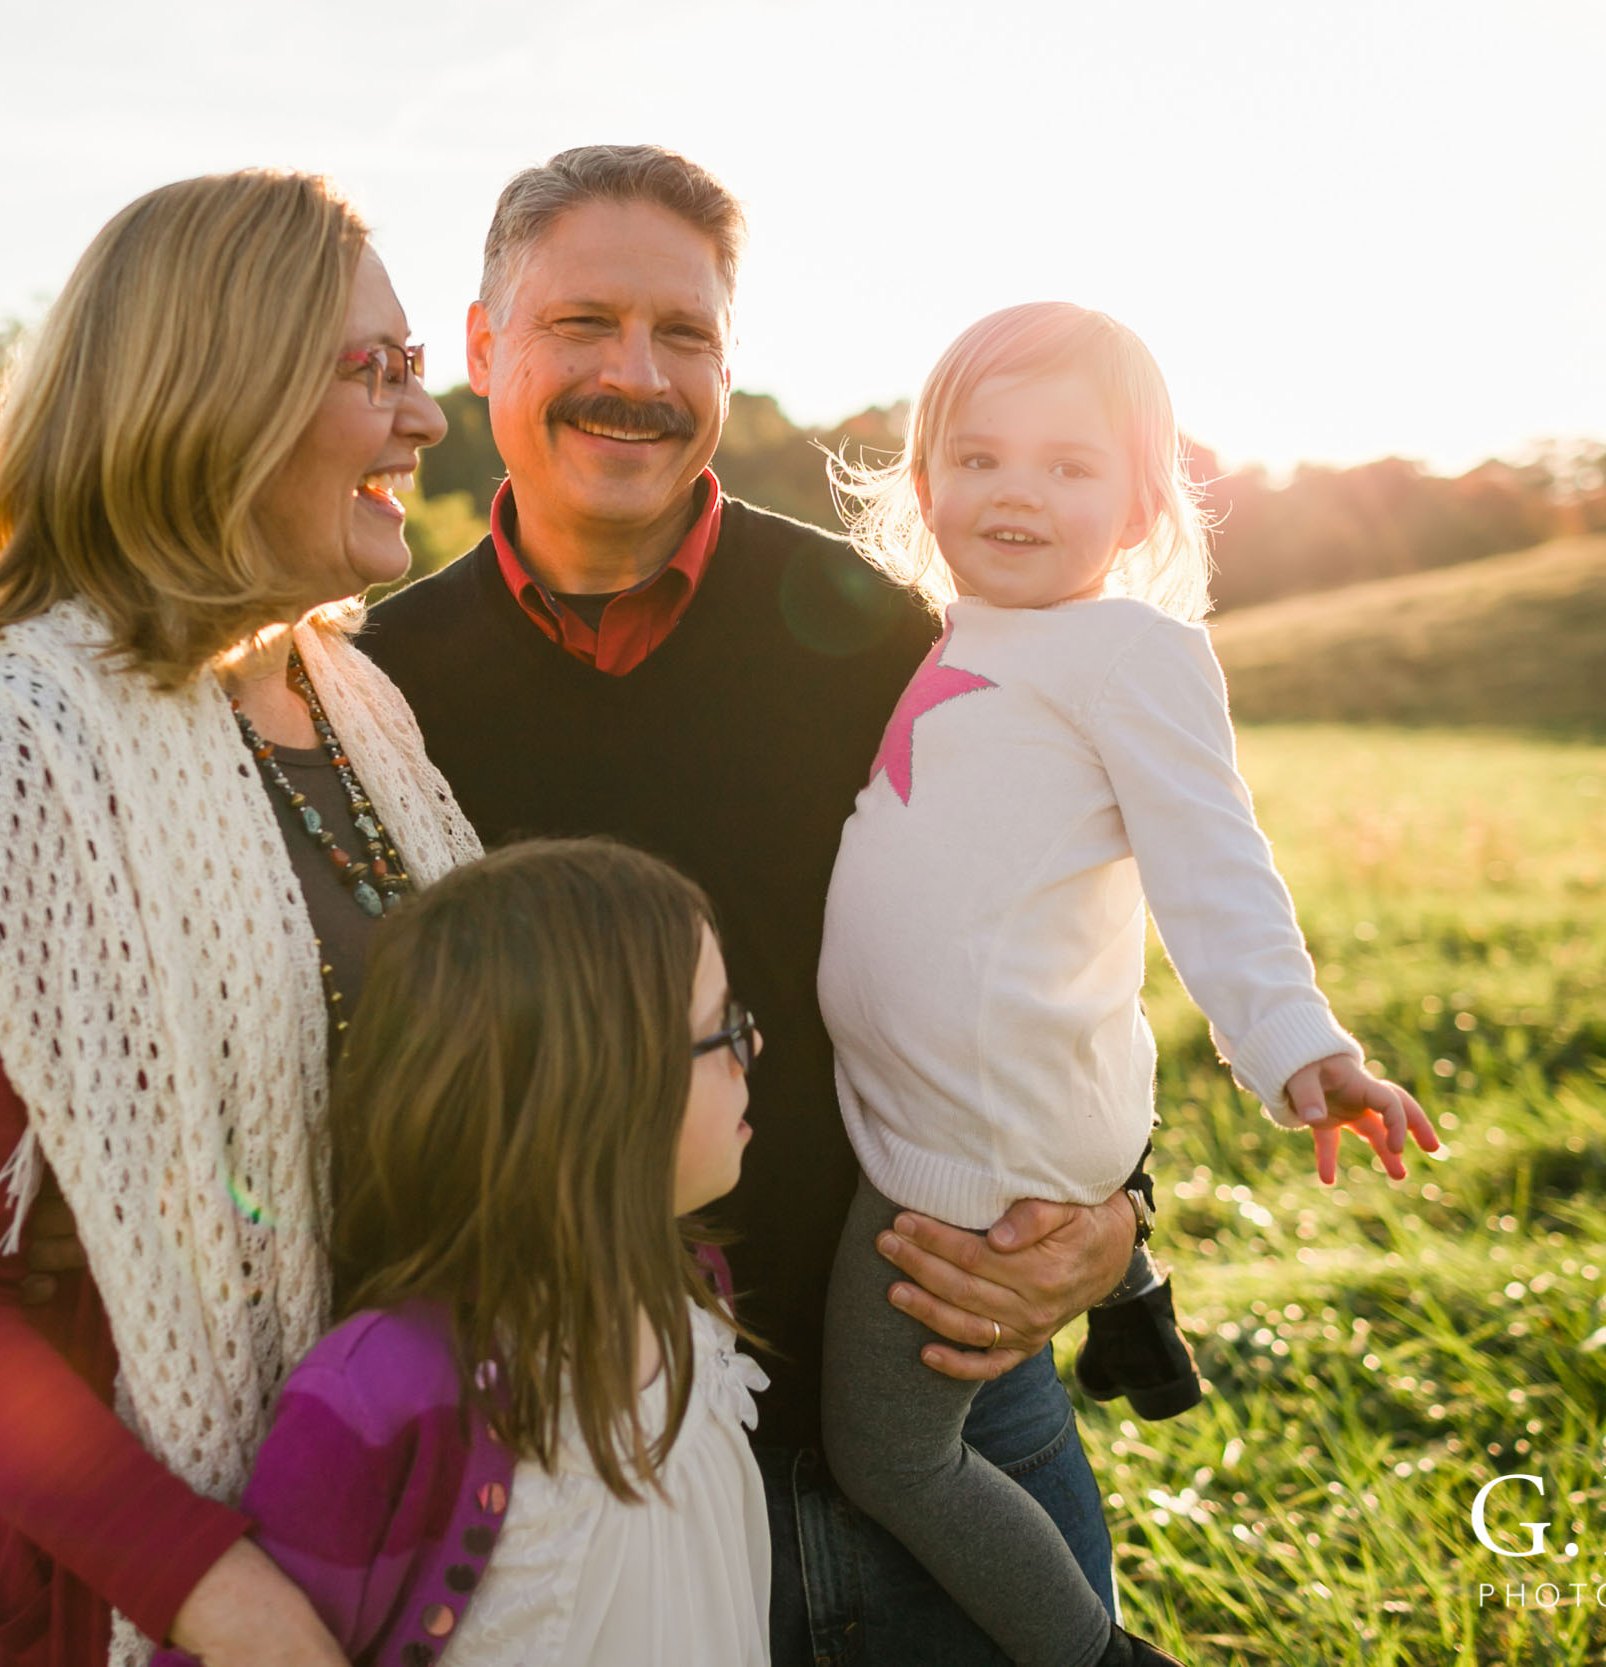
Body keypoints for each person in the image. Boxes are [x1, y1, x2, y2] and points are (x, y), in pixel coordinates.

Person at [357, 146, 1138, 1665]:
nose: (635, 377)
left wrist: (1118, 1225)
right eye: (583, 323)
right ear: (481, 346)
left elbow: (1054, 944)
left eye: (687, 334)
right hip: (587, 1468)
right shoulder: (381, 689)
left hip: (934, 1389)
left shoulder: (877, 632)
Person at [0, 170, 482, 1667]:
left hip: (415, 1510)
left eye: (420, 368)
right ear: (222, 392)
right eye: (375, 370)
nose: (427, 417)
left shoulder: (358, 702)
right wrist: (223, 1594)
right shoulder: (26, 745)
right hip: (149, 1588)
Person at [814, 302, 1442, 1667]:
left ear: (1144, 502)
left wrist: (1297, 1044)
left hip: (968, 1138)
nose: (1017, 491)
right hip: (971, 1093)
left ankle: (1093, 1653)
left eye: (1068, 465)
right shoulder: (961, 634)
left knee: (891, 1459)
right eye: (977, 459)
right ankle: (1134, 1314)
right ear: (924, 485)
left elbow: (1213, 862)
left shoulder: (1129, 650)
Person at [151, 838, 773, 1667]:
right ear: (596, 1097)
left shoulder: (691, 1297)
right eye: (722, 1027)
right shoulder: (388, 1394)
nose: (754, 1047)